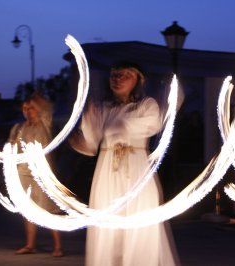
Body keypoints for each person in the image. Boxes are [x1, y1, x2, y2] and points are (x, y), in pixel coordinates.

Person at [70, 61, 179, 266]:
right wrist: (79, 133)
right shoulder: (103, 108)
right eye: (114, 75)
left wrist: (110, 125)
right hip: (107, 170)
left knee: (138, 224)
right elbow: (90, 146)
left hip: (136, 171)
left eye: (124, 75)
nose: (117, 79)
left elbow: (150, 125)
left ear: (138, 80)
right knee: (108, 226)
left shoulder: (147, 105)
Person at [8, 93, 63, 257]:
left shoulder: (45, 123)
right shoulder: (19, 128)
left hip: (43, 173)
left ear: (38, 109)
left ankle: (58, 247)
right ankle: (30, 244)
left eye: (31, 108)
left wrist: (33, 97)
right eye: (25, 109)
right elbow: (13, 149)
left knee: (49, 209)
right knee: (28, 210)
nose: (28, 111)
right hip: (24, 173)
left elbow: (47, 107)